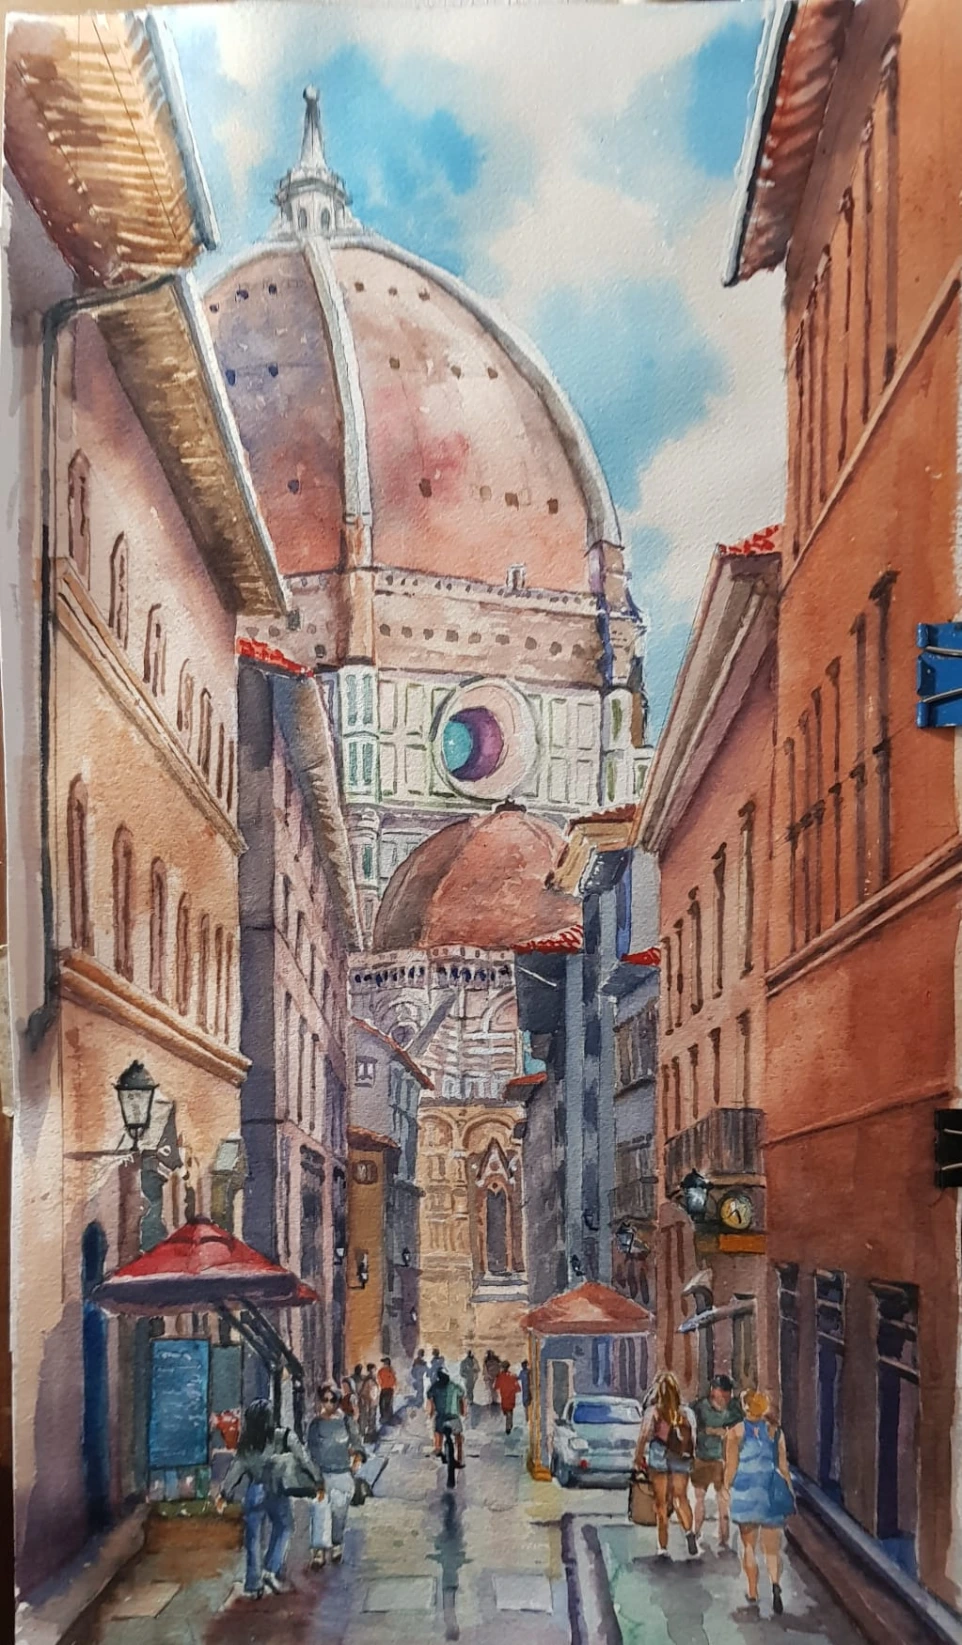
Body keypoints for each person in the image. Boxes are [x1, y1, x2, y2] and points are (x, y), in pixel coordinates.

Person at [216, 1398, 319, 1598]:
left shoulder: (246, 1444)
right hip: (276, 1489)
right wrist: (317, 1480)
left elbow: (236, 1470)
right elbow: (304, 1459)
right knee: (285, 1526)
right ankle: (271, 1568)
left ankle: (253, 1585)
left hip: (254, 1491)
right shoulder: (284, 1437)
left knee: (253, 1538)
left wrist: (224, 1495)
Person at [725, 1390, 795, 1616]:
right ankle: (775, 1584)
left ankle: (753, 1591)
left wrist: (727, 1488)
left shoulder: (735, 1432)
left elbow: (731, 1468)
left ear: (745, 1407)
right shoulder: (775, 1432)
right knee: (772, 1548)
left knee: (748, 1546)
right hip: (769, 1491)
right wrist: (789, 1491)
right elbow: (783, 1467)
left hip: (746, 1491)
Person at [633, 1371, 699, 1558]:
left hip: (659, 1457)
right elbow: (693, 1439)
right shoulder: (686, 1413)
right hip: (680, 1458)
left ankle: (663, 1547)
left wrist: (638, 1457)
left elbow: (644, 1436)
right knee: (681, 1498)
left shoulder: (653, 1412)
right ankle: (689, 1532)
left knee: (661, 1503)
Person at [306, 1382, 366, 1570]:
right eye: (325, 1400)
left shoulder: (347, 1422)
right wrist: (314, 1476)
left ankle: (336, 1543)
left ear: (338, 1401)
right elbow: (311, 1452)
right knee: (319, 1513)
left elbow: (357, 1444)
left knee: (338, 1514)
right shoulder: (316, 1424)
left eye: (332, 1400)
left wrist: (356, 1461)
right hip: (321, 1475)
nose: (329, 1403)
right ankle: (318, 1553)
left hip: (342, 1475)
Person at [691, 1374, 743, 1550]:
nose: (726, 1396)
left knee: (722, 1500)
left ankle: (723, 1537)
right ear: (713, 1391)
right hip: (703, 1457)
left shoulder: (734, 1408)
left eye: (728, 1393)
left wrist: (718, 1431)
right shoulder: (700, 1407)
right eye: (723, 1392)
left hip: (723, 1459)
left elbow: (739, 1429)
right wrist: (718, 1431)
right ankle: (696, 1532)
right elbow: (695, 1428)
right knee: (700, 1498)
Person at [427, 1368, 465, 1468]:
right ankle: (460, 1459)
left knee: (438, 1432)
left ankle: (438, 1449)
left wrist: (431, 1413)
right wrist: (462, 1411)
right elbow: (461, 1398)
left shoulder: (435, 1387)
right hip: (453, 1417)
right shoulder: (454, 1386)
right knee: (458, 1438)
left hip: (441, 1417)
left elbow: (430, 1400)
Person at [494, 1361, 521, 1434]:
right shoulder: (512, 1376)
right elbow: (518, 1388)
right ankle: (509, 1425)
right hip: (511, 1398)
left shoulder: (500, 1376)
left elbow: (496, 1387)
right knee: (509, 1411)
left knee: (507, 1411)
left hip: (505, 1398)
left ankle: (508, 1427)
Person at [358, 1363, 379, 1442]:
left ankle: (372, 1434)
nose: (374, 1371)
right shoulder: (369, 1380)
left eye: (374, 1370)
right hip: (369, 1403)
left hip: (373, 1402)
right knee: (370, 1419)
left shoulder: (373, 1379)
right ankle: (370, 1436)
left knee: (372, 1418)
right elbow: (364, 1392)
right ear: (370, 1370)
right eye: (373, 1370)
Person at [377, 1357, 397, 1425]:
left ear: (386, 1363)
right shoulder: (392, 1371)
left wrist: (382, 1384)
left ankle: (384, 1418)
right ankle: (389, 1418)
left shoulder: (381, 1371)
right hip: (390, 1389)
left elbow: (379, 1380)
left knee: (382, 1404)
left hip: (384, 1389)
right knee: (388, 1404)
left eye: (384, 1363)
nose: (383, 1364)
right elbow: (394, 1380)